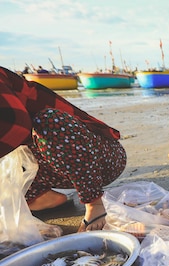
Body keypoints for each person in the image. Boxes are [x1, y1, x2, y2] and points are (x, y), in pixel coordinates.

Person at [0, 66, 126, 232]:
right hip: (45, 164)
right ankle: (44, 198)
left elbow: (18, 124)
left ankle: (94, 203)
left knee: (50, 122)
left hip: (101, 159)